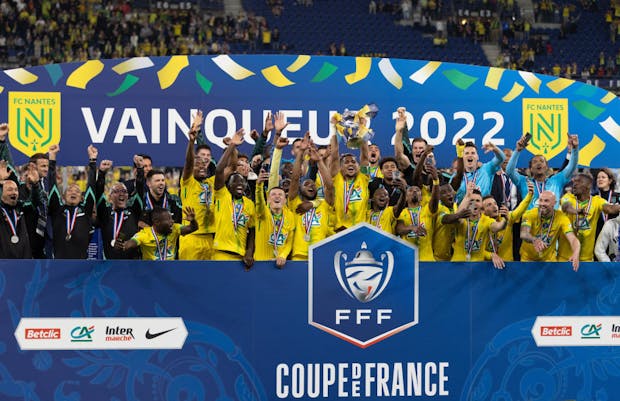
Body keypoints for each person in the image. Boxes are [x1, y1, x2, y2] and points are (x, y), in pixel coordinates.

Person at [212, 128, 255, 268]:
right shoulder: (222, 195)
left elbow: (252, 230)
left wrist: (249, 251)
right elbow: (219, 170)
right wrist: (232, 146)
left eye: (242, 182)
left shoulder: (249, 204)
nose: (240, 184)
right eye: (235, 181)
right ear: (228, 186)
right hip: (220, 253)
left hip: (241, 257)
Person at [48, 145, 97, 259]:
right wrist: (52, 157)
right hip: (59, 265)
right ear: (63, 196)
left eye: (77, 191)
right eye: (69, 190)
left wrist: (92, 161)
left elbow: (91, 187)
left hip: (81, 267)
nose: (73, 192)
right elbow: (52, 185)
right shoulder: (57, 209)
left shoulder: (86, 211)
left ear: (81, 198)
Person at [288, 140, 335, 261]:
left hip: (320, 255)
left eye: (313, 185)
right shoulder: (295, 202)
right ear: (300, 188)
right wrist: (301, 152)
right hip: (299, 255)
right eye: (306, 184)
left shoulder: (324, 204)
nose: (311, 186)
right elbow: (294, 179)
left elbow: (329, 186)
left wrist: (319, 160)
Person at [506, 133, 578, 210]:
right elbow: (509, 171)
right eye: (535, 162)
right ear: (530, 169)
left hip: (553, 221)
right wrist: (517, 150)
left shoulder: (557, 180)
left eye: (541, 161)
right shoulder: (523, 182)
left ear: (546, 167)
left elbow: (572, 168)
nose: (539, 163)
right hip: (530, 221)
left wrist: (574, 149)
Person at [559, 172, 620, 262]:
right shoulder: (568, 197)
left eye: (578, 181)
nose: (574, 184)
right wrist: (576, 211)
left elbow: (609, 209)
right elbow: (566, 206)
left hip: (586, 259)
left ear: (588, 185)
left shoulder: (597, 201)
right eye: (574, 181)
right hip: (565, 257)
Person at [179, 110, 215, 260]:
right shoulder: (187, 182)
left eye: (203, 164)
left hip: (210, 238)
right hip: (191, 237)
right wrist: (191, 141)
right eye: (197, 164)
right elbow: (188, 162)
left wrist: (232, 146)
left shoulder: (211, 182)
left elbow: (230, 167)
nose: (201, 166)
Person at [95, 156, 143, 260]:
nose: (121, 193)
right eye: (117, 191)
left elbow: (140, 190)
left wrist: (140, 169)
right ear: (110, 197)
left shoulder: (134, 211)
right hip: (109, 264)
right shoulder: (105, 213)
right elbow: (98, 193)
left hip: (131, 265)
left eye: (124, 191)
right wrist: (102, 173)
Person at [520, 190, 580, 270]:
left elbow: (572, 239)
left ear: (554, 203)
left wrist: (576, 253)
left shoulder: (561, 218)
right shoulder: (529, 214)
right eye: (540, 200)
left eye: (546, 201)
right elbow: (524, 234)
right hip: (528, 259)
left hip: (549, 260)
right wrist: (534, 240)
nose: (542, 204)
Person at [448, 183, 507, 266]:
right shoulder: (462, 219)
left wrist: (505, 220)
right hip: (458, 265)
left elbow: (497, 227)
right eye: (471, 201)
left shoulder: (486, 220)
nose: (474, 203)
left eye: (478, 201)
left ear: (482, 205)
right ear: (467, 203)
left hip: (478, 267)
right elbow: (457, 218)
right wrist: (467, 195)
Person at [328, 125, 370, 231]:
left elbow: (365, 156)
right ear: (340, 167)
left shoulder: (364, 177)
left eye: (353, 162)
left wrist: (362, 128)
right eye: (346, 162)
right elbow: (334, 155)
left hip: (360, 230)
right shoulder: (336, 178)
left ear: (358, 166)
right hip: (339, 230)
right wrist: (335, 128)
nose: (350, 164)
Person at [116, 206, 197, 260]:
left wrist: (193, 221)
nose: (172, 221)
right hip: (152, 273)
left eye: (172, 218)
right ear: (157, 222)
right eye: (168, 219)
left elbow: (192, 228)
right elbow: (131, 243)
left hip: (171, 271)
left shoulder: (174, 228)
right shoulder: (145, 234)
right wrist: (123, 245)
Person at [396, 164, 440, 261]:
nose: (414, 191)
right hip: (408, 261)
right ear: (406, 197)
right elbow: (399, 229)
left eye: (417, 190)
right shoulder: (401, 212)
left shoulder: (427, 209)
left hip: (427, 260)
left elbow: (435, 200)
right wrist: (412, 227)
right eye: (411, 190)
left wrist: (436, 181)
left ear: (421, 197)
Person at [482, 181, 533, 262]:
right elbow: (476, 249)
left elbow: (519, 210)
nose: (494, 206)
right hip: (485, 265)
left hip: (507, 265)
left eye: (495, 203)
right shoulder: (480, 223)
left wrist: (529, 195)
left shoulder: (506, 216)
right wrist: (490, 255)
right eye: (489, 205)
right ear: (482, 211)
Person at [254, 172, 295, 268]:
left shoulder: (290, 216)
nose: (277, 196)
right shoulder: (262, 213)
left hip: (280, 264)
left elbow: (289, 241)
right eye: (273, 194)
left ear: (285, 200)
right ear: (268, 200)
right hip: (260, 263)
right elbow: (259, 202)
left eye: (280, 194)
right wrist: (259, 186)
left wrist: (283, 255)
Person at [0, 162, 41, 258]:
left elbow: (34, 202)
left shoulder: (21, 207)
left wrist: (35, 185)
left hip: (24, 262)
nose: (14, 192)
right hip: (3, 264)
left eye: (16, 189)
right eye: (10, 189)